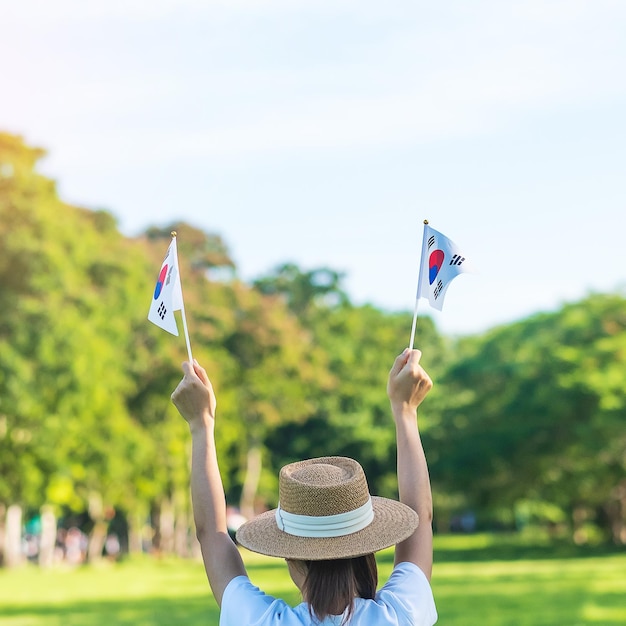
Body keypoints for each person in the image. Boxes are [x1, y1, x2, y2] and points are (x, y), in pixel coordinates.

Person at [171, 348, 437, 625]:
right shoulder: (402, 615)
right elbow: (420, 515)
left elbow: (211, 534)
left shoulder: (264, 621)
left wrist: (201, 424)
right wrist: (405, 411)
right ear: (367, 547)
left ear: (290, 558)